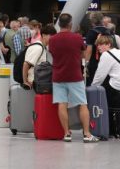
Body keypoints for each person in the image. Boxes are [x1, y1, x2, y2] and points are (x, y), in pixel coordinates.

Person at [48, 13, 99, 143]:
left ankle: (66, 133)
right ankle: (87, 134)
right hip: (75, 76)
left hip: (58, 76)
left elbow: (53, 54)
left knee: (62, 104)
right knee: (82, 104)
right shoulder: (77, 38)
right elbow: (84, 55)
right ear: (70, 24)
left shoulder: (52, 39)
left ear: (59, 24)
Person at [91, 34, 120, 113]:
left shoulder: (106, 54)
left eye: (101, 44)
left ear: (109, 44)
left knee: (111, 111)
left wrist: (92, 88)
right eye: (97, 45)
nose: (98, 47)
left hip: (116, 87)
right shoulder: (118, 51)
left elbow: (100, 76)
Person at [22, 24, 56, 89]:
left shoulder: (42, 47)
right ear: (43, 35)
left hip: (39, 81)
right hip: (35, 82)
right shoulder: (38, 48)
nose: (53, 39)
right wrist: (25, 81)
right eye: (51, 36)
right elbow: (26, 64)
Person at [84, 12, 112, 85]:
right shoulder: (108, 31)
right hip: (108, 59)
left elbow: (89, 50)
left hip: (94, 61)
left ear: (92, 21)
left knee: (93, 82)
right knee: (106, 82)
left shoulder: (91, 32)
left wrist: (86, 64)